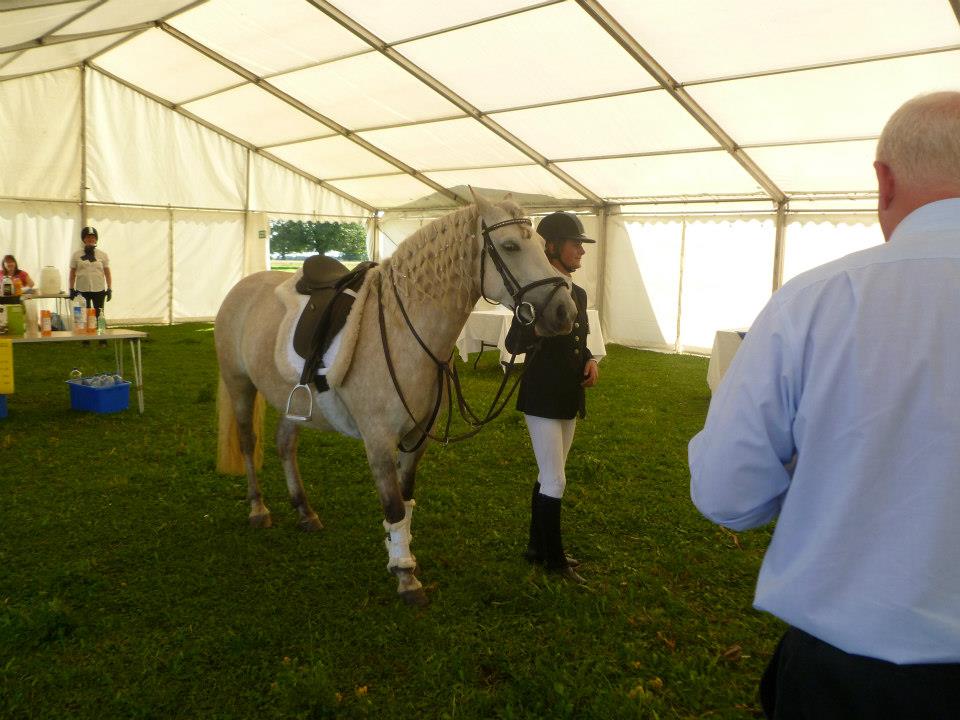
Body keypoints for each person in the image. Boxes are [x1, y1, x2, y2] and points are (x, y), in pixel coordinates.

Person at [688, 91, 960, 719]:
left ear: (883, 181)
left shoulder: (816, 301)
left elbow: (727, 493)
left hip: (850, 676)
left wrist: (815, 475)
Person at [505, 211, 599, 584]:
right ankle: (554, 560)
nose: (581, 251)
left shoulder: (578, 293)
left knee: (550, 475)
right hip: (542, 393)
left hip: (567, 394)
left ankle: (536, 546)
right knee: (555, 479)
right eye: (576, 244)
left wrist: (589, 359)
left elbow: (582, 339)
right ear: (553, 247)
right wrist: (535, 329)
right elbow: (514, 343)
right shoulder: (536, 292)